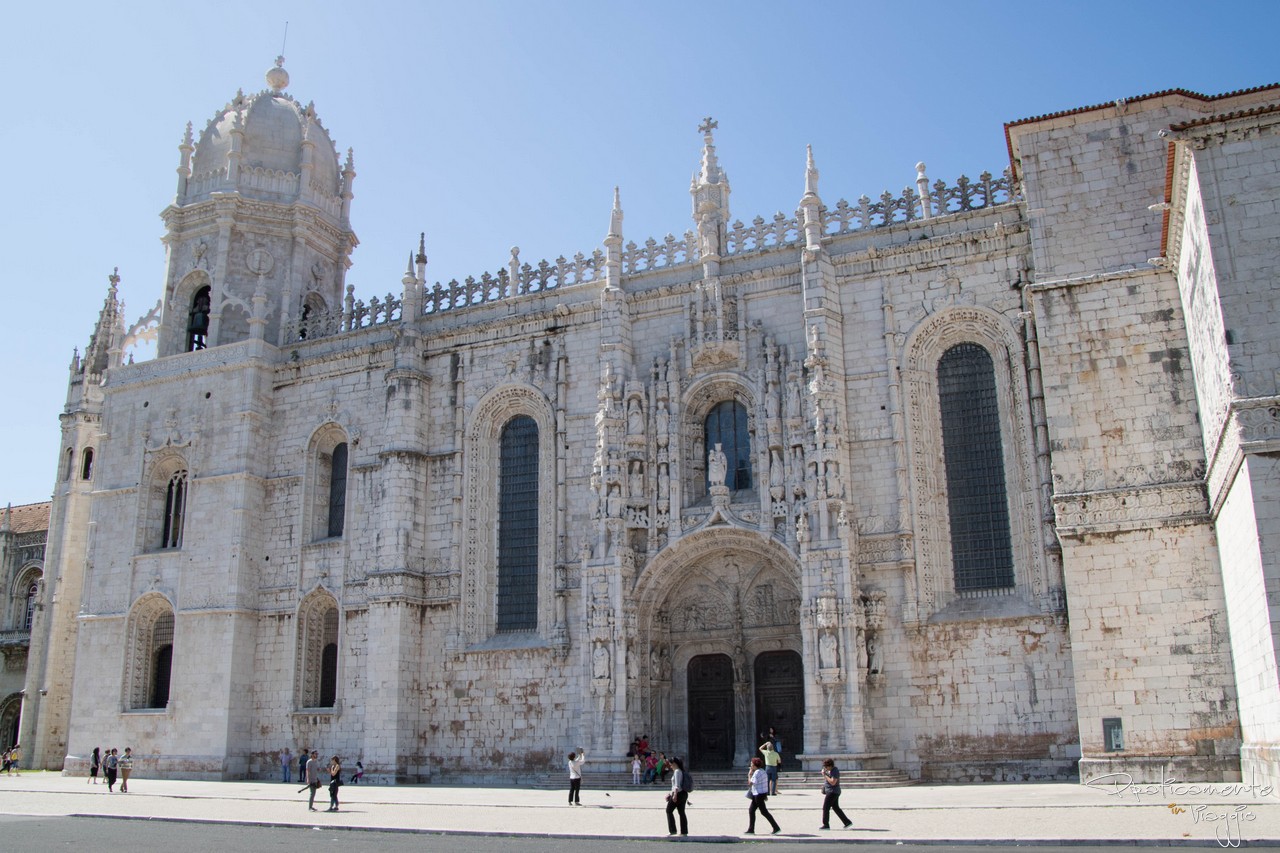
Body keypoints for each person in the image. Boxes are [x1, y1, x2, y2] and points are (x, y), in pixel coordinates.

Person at [745, 756, 780, 835]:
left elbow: (750, 783)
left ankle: (776, 827)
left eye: (751, 764)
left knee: (764, 812)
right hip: (759, 794)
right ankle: (751, 829)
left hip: (758, 795)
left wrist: (749, 775)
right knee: (751, 810)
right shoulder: (762, 771)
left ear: (754, 765)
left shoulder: (757, 772)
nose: (750, 766)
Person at [819, 758, 853, 830]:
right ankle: (847, 822)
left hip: (832, 792)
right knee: (836, 808)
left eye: (826, 766)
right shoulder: (831, 771)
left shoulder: (835, 771)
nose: (825, 768)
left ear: (830, 765)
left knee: (826, 808)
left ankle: (826, 825)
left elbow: (833, 782)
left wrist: (825, 775)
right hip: (832, 791)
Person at [665, 756, 689, 836]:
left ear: (674, 763)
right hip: (683, 794)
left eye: (671, 764)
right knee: (681, 812)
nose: (670, 766)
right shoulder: (681, 771)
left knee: (669, 810)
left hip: (678, 793)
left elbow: (677, 785)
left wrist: (674, 795)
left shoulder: (677, 771)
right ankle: (684, 832)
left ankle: (672, 830)